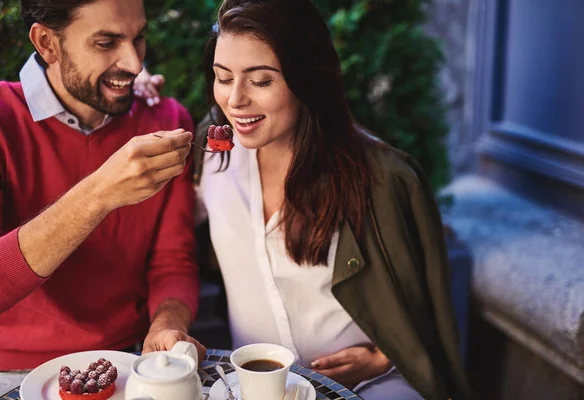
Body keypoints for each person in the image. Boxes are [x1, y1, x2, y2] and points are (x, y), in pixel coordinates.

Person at [139, 0, 473, 398]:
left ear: (306, 79)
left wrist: (385, 357)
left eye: (261, 81)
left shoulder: (381, 177)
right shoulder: (211, 154)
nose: (236, 100)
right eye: (223, 77)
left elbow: (427, 299)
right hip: (256, 385)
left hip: (368, 385)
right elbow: (172, 243)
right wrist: (141, 98)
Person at [0, 0, 205, 397]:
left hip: (135, 361)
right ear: (47, 43)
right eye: (107, 42)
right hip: (17, 373)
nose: (135, 64)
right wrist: (98, 193)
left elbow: (173, 259)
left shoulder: (165, 122)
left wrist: (169, 321)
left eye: (139, 39)